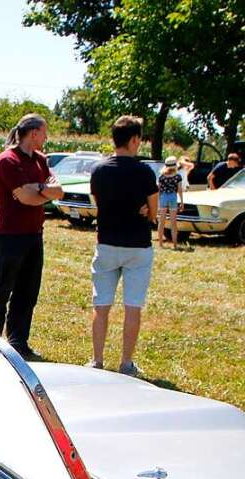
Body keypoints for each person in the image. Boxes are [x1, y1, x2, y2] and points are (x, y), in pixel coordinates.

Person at [0, 114, 63, 360]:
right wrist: (41, 191)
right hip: (10, 236)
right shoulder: (8, 160)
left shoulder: (40, 160)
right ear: (33, 133)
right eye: (44, 132)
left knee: (28, 293)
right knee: (3, 291)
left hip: (34, 236)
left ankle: (19, 344)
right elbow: (25, 197)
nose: (47, 138)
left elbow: (57, 190)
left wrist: (37, 189)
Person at [87, 116, 158, 376]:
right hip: (137, 245)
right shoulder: (144, 172)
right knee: (132, 306)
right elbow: (153, 213)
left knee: (101, 305)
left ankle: (97, 360)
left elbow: (98, 206)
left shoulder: (99, 170)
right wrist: (142, 209)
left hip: (106, 242)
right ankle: (126, 363)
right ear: (134, 139)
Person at [156, 156, 184, 249]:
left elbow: (159, 190)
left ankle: (160, 244)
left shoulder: (161, 176)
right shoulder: (177, 177)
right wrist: (182, 202)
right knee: (173, 222)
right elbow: (179, 190)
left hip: (163, 197)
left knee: (161, 221)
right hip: (173, 197)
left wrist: (158, 202)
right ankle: (175, 244)